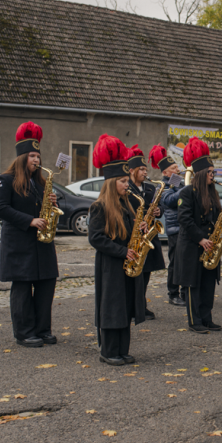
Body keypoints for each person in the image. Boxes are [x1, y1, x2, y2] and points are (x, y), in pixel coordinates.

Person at [0, 121, 59, 348]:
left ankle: (43, 329)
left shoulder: (41, 182)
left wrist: (51, 203)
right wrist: (29, 220)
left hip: (41, 243)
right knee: (22, 287)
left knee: (46, 284)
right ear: (22, 157)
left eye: (38, 156)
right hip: (19, 243)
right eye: (32, 156)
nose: (36, 160)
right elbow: (0, 208)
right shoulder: (5, 180)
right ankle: (24, 332)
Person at [88, 134, 146, 365]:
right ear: (112, 183)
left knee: (125, 305)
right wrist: (123, 252)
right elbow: (96, 238)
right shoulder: (99, 206)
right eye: (122, 181)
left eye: (127, 180)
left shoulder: (128, 204)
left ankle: (122, 349)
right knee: (112, 306)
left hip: (126, 261)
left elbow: (128, 233)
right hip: (111, 264)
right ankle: (109, 351)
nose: (127, 184)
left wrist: (140, 228)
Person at [174, 138, 222, 333]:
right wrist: (200, 238)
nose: (212, 175)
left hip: (210, 244)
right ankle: (195, 321)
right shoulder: (186, 193)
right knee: (194, 285)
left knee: (208, 285)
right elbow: (185, 220)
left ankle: (207, 318)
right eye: (210, 172)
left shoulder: (212, 193)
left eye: (213, 172)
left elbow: (212, 218)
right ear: (200, 174)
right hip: (193, 245)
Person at [126, 145, 165, 320]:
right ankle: (133, 307)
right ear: (131, 171)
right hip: (134, 235)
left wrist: (158, 211)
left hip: (148, 234)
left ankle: (141, 304)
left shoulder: (150, 187)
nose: (144, 172)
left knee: (146, 272)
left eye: (145, 169)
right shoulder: (126, 188)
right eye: (141, 169)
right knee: (135, 275)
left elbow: (159, 206)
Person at [149, 144, 186, 307]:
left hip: (184, 227)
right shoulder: (162, 186)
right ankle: (173, 293)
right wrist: (185, 190)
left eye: (177, 166)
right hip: (174, 228)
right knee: (175, 262)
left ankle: (185, 291)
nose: (177, 169)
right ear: (165, 172)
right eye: (173, 168)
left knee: (185, 260)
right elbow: (169, 201)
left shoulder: (178, 182)